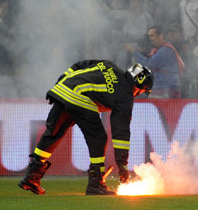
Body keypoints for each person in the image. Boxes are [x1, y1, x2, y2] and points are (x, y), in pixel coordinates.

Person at [18, 61, 153, 196]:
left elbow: (79, 65)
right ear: (139, 84)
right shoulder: (125, 96)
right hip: (79, 96)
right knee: (99, 138)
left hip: (62, 89)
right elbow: (120, 132)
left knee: (53, 134)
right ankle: (96, 183)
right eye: (141, 91)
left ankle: (31, 177)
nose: (137, 94)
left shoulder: (109, 65)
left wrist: (63, 80)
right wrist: (122, 164)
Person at [124, 26, 185, 98]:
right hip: (162, 89)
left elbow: (149, 63)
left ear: (160, 36)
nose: (150, 39)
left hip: (166, 90)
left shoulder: (166, 50)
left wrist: (134, 52)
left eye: (152, 36)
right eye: (149, 36)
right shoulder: (159, 50)